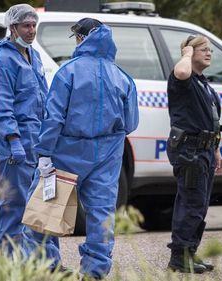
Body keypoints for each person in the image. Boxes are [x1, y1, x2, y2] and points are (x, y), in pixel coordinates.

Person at [23, 18, 138, 279]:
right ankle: (95, 271)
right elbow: (131, 123)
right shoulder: (121, 76)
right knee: (101, 214)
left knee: (46, 207)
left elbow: (53, 118)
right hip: (107, 155)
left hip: (68, 150)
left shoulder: (68, 72)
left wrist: (44, 153)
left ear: (81, 38)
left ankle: (46, 267)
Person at [0, 3, 47, 255]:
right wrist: (13, 139)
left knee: (38, 205)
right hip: (16, 146)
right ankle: (12, 262)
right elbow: (0, 105)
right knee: (13, 205)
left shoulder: (34, 55)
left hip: (37, 142)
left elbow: (41, 96)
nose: (31, 30)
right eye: (26, 26)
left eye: (34, 25)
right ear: (12, 28)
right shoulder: (3, 61)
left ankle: (37, 261)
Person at [165, 34, 222, 273]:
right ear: (189, 52)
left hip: (205, 150)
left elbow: (211, 120)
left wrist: (216, 150)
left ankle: (190, 251)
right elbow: (180, 72)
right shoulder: (183, 78)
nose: (208, 53)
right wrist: (187, 54)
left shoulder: (202, 83)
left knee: (199, 205)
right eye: (203, 49)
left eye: (210, 49)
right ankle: (179, 257)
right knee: (190, 203)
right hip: (189, 150)